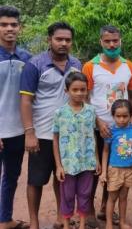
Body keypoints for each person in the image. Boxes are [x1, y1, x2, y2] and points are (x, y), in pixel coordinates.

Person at [20, 22, 81, 229]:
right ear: (49, 40)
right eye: (59, 39)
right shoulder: (34, 65)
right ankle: (34, 221)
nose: (63, 43)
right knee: (36, 180)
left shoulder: (76, 65)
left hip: (68, 134)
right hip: (42, 133)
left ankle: (61, 217)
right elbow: (26, 101)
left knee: (62, 177)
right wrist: (29, 132)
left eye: (67, 40)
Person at [82, 25, 132, 226]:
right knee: (94, 169)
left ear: (120, 41)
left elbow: (131, 94)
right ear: (101, 42)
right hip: (97, 127)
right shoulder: (90, 66)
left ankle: (107, 207)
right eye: (107, 41)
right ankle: (88, 210)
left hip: (120, 129)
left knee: (114, 168)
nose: (112, 44)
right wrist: (98, 121)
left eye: (115, 40)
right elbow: (85, 97)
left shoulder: (129, 66)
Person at [52, 72, 101, 229]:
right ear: (66, 91)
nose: (79, 93)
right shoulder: (59, 113)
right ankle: (66, 224)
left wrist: (97, 160)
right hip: (67, 165)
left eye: (83, 89)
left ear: (87, 90)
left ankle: (81, 224)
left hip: (87, 162)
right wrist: (59, 165)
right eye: (75, 90)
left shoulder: (91, 112)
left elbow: (92, 136)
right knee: (67, 195)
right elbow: (55, 139)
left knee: (85, 194)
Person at [0, 6, 31, 229]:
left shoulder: (27, 58)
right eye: (3, 25)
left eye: (13, 24)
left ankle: (5, 219)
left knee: (11, 177)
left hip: (18, 131)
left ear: (19, 28)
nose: (9, 29)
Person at [99, 99, 132, 229]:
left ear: (131, 115)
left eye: (125, 116)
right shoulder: (110, 131)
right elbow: (105, 151)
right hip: (114, 169)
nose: (121, 119)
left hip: (130, 169)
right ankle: (109, 223)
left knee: (124, 197)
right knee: (112, 197)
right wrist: (103, 172)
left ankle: (122, 222)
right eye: (118, 116)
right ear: (113, 116)